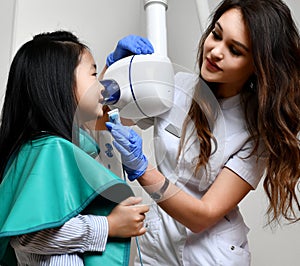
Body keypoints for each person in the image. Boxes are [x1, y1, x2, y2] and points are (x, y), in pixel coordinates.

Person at [104, 0, 300, 265]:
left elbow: (203, 215)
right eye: (216, 35)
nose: (216, 51)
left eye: (235, 50)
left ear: (258, 65)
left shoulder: (256, 132)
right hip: (156, 245)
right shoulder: (175, 86)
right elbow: (102, 117)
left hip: (209, 253)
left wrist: (142, 169)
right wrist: (114, 70)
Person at [0, 30, 149, 266]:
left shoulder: (56, 146)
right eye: (93, 74)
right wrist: (109, 226)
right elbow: (27, 234)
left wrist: (113, 68)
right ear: (62, 84)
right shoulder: (48, 150)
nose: (102, 87)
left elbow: (91, 110)